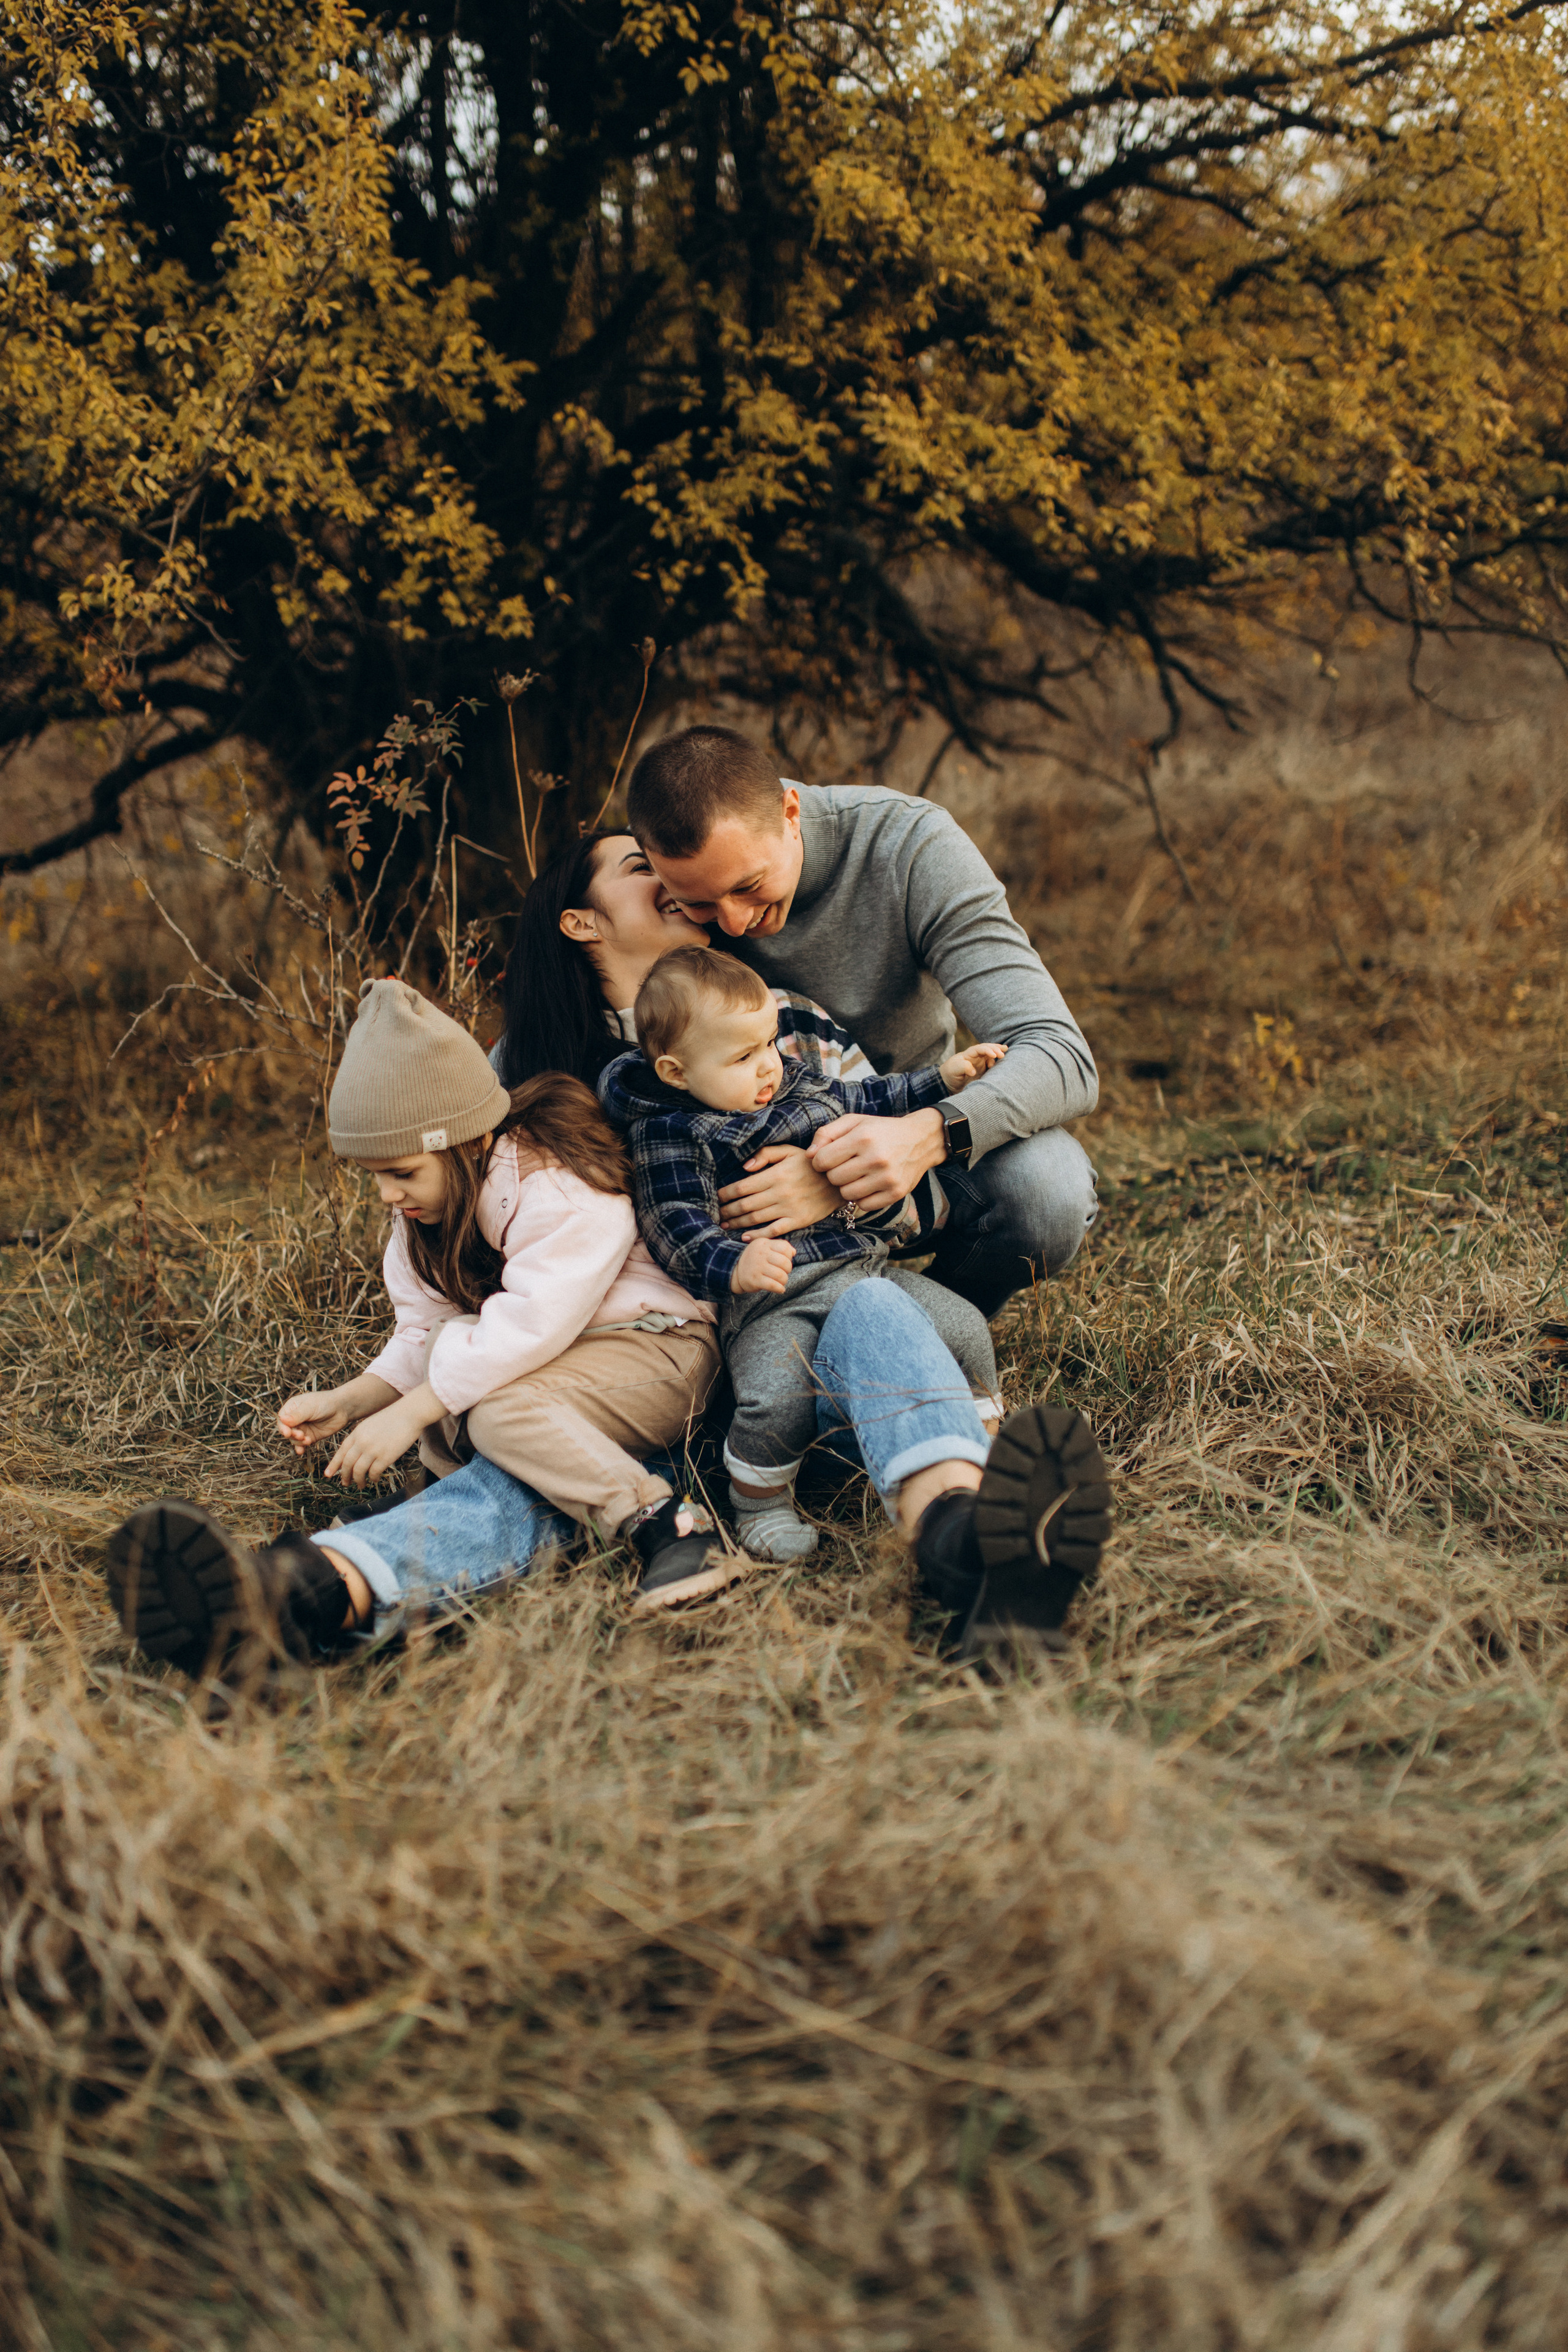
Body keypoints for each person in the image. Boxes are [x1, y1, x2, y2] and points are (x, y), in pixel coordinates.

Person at [105, 979, 734, 1679]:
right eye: (373, 1176)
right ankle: (311, 1605)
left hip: (655, 1351)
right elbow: (422, 1333)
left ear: (466, 1143)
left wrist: (415, 1413)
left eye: (402, 1172)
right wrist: (356, 1399)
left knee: (494, 1404)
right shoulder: (424, 1218)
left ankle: (666, 1525)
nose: (387, 1195)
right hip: (563, 1374)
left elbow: (533, 1324)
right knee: (456, 1363)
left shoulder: (552, 1182)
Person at [624, 726, 1101, 1317]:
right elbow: (541, 1042)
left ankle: (937, 1324)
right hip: (734, 1205)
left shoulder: (908, 846)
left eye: (749, 886)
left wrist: (925, 1134)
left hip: (904, 1149)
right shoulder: (640, 883)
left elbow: (1060, 1055)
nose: (734, 922)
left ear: (790, 813)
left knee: (1047, 1188)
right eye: (698, 904)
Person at [600, 945, 1007, 1560]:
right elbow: (672, 1224)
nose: (768, 1066)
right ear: (675, 1072)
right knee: (774, 1398)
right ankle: (759, 1504)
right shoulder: (669, 1131)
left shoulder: (795, 1085)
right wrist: (731, 1264)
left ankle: (978, 1445)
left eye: (769, 1043)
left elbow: (872, 1100)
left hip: (860, 1270)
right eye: (742, 1056)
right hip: (771, 1303)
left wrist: (943, 1081)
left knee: (964, 1327)